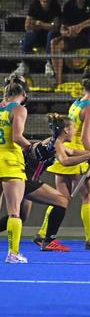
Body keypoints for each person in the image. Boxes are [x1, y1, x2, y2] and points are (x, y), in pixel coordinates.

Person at [35, 73, 90, 250]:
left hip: (64, 151)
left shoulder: (76, 103)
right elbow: (84, 137)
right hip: (77, 155)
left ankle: (42, 234)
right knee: (88, 195)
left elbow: (84, 133)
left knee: (60, 198)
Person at [0, 81, 31, 263]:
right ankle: (13, 253)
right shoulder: (18, 109)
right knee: (14, 211)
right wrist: (30, 148)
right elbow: (17, 136)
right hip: (10, 161)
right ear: (23, 93)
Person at [13, 0, 61, 79]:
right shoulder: (34, 6)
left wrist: (40, 24)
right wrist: (47, 25)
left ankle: (49, 63)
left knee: (51, 33)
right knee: (30, 33)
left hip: (50, 39)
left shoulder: (55, 7)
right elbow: (27, 26)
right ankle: (24, 64)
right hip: (37, 37)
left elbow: (56, 27)